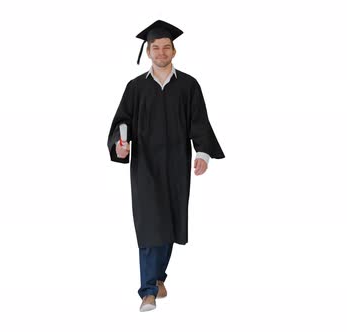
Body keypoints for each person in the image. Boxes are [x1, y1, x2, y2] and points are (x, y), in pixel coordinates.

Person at [106, 20, 225, 312]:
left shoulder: (188, 85)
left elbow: (199, 121)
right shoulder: (135, 88)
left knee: (169, 224)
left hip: (176, 164)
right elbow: (123, 121)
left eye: (166, 47)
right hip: (145, 165)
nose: (161, 52)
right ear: (148, 51)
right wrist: (121, 145)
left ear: (174, 50)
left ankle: (159, 277)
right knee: (149, 225)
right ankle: (148, 291)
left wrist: (203, 154)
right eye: (155, 47)